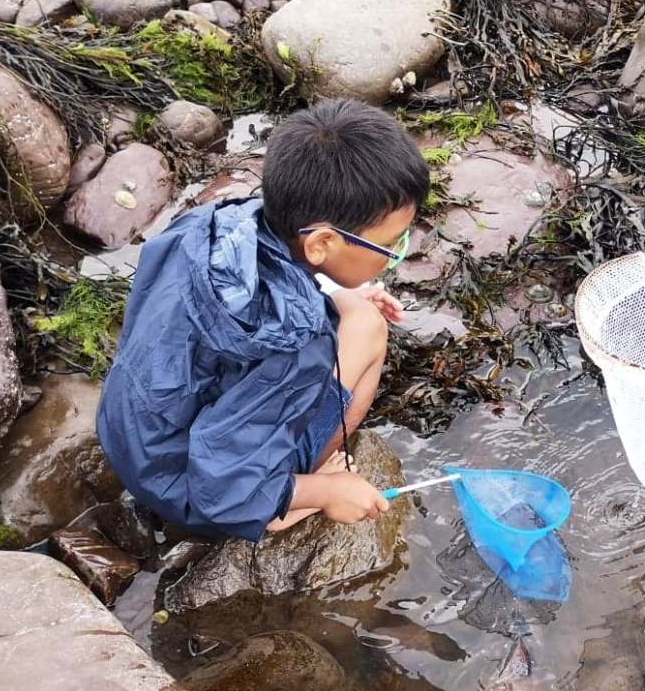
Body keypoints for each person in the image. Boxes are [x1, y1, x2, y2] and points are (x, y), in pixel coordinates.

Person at [97, 97, 428, 536]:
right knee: (368, 328)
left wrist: (341, 289)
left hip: (130, 436)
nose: (395, 257)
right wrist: (329, 492)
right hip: (193, 492)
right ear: (322, 244)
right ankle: (281, 504)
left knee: (353, 307)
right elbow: (222, 489)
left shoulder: (210, 224)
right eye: (391, 246)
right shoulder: (295, 343)